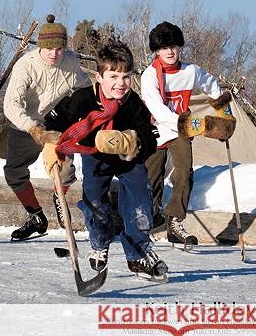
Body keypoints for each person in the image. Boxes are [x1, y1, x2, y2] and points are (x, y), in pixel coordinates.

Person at [42, 42, 168, 281]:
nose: (120, 83)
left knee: (140, 200)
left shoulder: (133, 104)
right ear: (99, 77)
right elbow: (55, 122)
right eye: (114, 76)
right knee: (95, 202)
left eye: (126, 76)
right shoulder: (83, 98)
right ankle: (99, 244)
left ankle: (138, 254)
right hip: (95, 158)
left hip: (127, 161)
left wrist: (130, 141)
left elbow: (149, 138)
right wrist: (51, 143)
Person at [141, 21, 236, 248]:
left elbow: (212, 85)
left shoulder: (190, 71)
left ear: (180, 47)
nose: (170, 52)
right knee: (151, 177)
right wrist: (193, 125)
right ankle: (147, 218)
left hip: (179, 132)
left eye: (174, 46)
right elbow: (158, 111)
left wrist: (225, 115)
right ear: (157, 51)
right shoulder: (150, 75)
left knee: (184, 172)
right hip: (155, 129)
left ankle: (175, 221)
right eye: (164, 48)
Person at [3, 14, 91, 240]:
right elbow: (10, 105)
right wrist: (33, 128)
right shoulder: (26, 65)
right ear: (40, 47)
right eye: (49, 49)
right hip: (27, 123)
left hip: (54, 120)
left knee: (64, 168)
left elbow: (84, 84)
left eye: (59, 49)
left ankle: (59, 197)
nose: (54, 54)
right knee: (14, 173)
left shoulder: (71, 62)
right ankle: (36, 216)